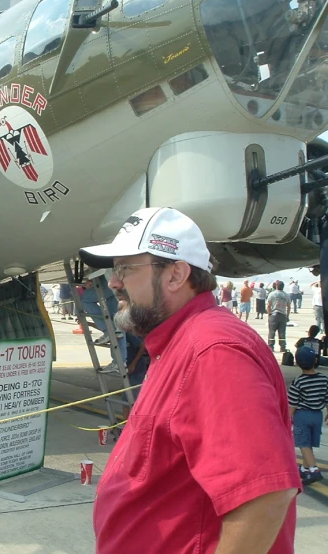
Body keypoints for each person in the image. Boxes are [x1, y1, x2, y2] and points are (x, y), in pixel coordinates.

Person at [79, 207, 299, 554]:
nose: (113, 282)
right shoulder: (179, 343)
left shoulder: (212, 351)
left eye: (124, 268)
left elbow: (264, 496)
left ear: (175, 275)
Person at [288, 347, 328, 485]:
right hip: (317, 416)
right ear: (315, 361)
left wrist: (287, 418)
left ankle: (314, 470)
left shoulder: (298, 381)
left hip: (302, 416)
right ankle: (305, 469)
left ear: (297, 363)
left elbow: (293, 402)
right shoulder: (323, 379)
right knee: (309, 443)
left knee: (303, 444)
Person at [267, 281, 291, 353]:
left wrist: (269, 314)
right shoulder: (286, 295)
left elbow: (268, 305)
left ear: (276, 286)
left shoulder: (272, 294)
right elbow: (289, 307)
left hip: (274, 315)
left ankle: (271, 346)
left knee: (272, 331)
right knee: (282, 332)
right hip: (282, 315)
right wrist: (287, 316)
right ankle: (282, 347)